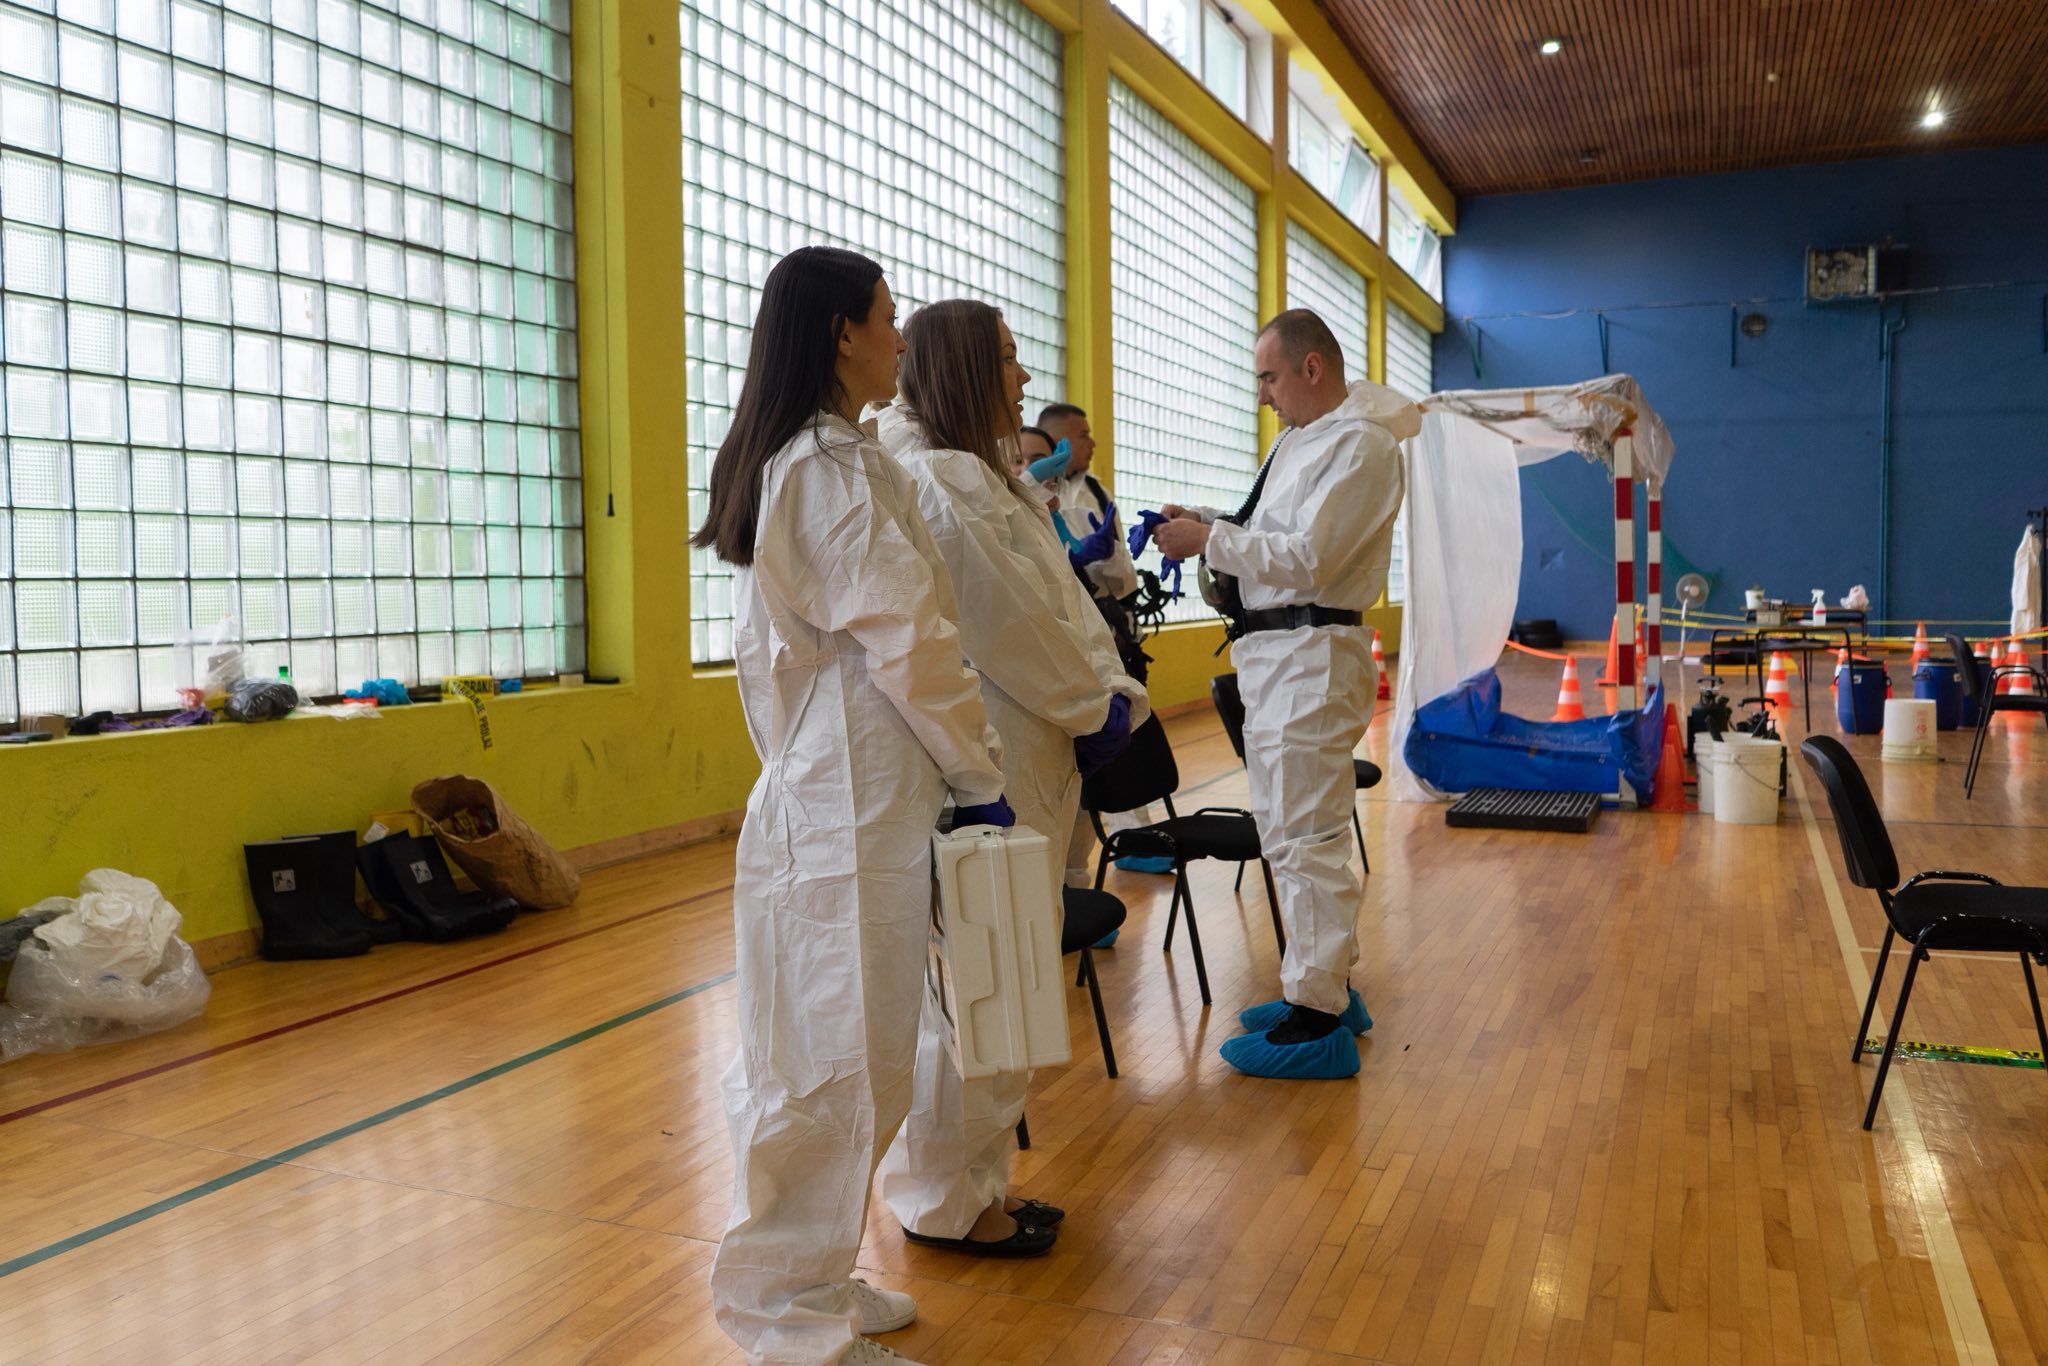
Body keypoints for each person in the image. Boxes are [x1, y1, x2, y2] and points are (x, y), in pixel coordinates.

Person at [700, 246, 1010, 1366]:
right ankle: (788, 1317)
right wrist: (979, 773)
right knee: (832, 1060)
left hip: (852, 796)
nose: (901, 341)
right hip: (842, 802)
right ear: (840, 331)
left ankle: (811, 1275)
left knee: (856, 1053)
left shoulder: (839, 456)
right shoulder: (822, 467)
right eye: (888, 319)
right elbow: (907, 638)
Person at [874, 299, 1147, 1256]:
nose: (1024, 380)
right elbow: (1008, 626)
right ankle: (951, 1203)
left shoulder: (981, 474)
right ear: (959, 369)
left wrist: (1107, 687)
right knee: (981, 991)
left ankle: (978, 1186)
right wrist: (1093, 702)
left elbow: (1061, 602)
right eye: (1008, 360)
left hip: (1037, 743)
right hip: (999, 752)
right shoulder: (937, 482)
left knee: (1007, 988)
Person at [1152, 308, 1419, 1081]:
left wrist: (1211, 541)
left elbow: (1311, 558)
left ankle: (1317, 1016)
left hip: (1310, 652)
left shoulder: (1363, 445)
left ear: (1311, 368)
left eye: (1269, 376)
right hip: (1277, 655)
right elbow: (1267, 537)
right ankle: (1324, 984)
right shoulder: (1300, 442)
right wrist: (1207, 523)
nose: (1263, 393)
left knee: (1306, 836)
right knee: (1290, 830)